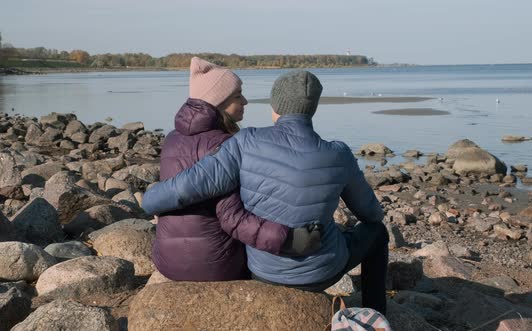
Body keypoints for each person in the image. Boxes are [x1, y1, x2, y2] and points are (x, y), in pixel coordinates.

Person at [143, 70, 389, 314]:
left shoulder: (245, 142)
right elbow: (371, 214)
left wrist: (150, 201)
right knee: (377, 233)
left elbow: (188, 186)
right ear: (313, 108)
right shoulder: (339, 153)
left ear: (275, 106)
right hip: (322, 272)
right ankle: (375, 313)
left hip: (263, 273)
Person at [153, 58, 319, 282]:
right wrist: (289, 239)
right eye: (238, 95)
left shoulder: (172, 138)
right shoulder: (227, 144)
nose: (245, 101)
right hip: (214, 265)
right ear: (219, 101)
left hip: (166, 261)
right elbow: (232, 218)